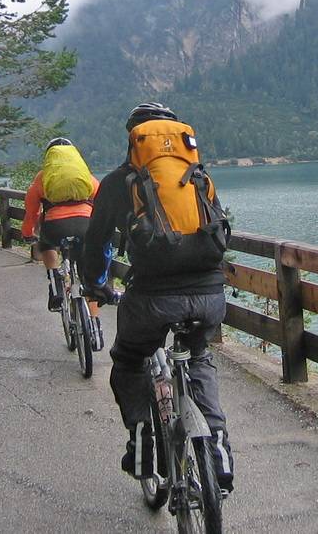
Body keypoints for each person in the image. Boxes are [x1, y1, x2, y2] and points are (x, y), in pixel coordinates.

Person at [81, 102, 234, 495]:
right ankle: (217, 450)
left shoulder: (121, 181)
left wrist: (95, 285)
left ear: (134, 139)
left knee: (129, 361)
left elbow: (96, 242)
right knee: (198, 358)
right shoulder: (197, 175)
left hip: (153, 298)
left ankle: (145, 444)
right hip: (208, 295)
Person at [21, 137, 104, 349]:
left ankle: (55, 281)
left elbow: (31, 212)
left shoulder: (43, 177)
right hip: (85, 227)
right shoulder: (85, 176)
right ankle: (95, 327)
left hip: (56, 228)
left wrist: (28, 234)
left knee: (46, 243)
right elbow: (102, 201)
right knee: (89, 280)